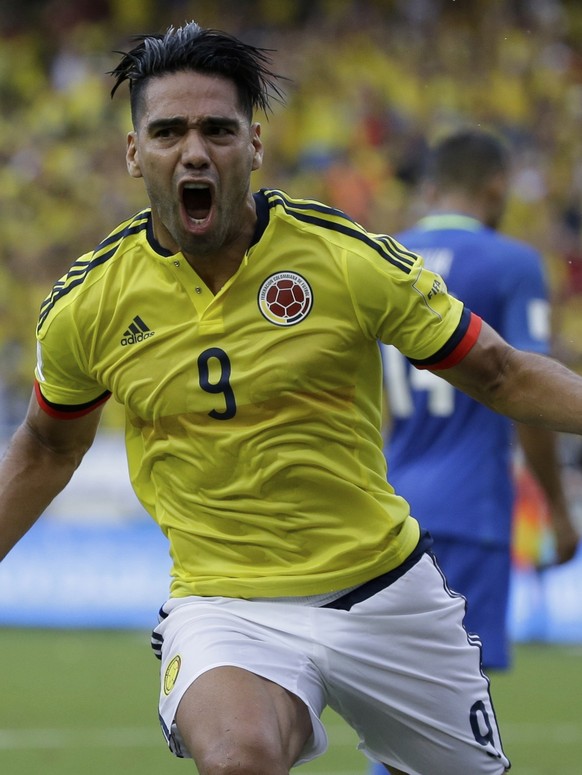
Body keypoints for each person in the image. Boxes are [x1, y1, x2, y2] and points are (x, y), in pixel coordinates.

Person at [2, 22, 582, 775]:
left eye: (218, 128)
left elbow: (500, 372)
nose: (195, 151)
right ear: (134, 152)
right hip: (227, 606)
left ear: (255, 145)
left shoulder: (342, 259)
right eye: (169, 130)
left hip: (386, 590)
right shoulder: (89, 306)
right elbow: (47, 446)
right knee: (240, 757)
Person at [370, 129, 579, 775]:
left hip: (391, 513)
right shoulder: (511, 263)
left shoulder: (383, 256)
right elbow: (525, 392)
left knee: (410, 711)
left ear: (433, 185)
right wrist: (556, 509)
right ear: (495, 186)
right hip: (470, 515)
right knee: (449, 722)